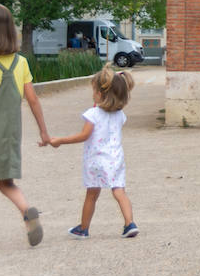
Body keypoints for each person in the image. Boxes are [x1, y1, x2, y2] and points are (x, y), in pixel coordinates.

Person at [0, 3, 51, 249]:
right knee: (5, 183)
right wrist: (43, 131)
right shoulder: (21, 63)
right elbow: (33, 100)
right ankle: (26, 209)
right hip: (11, 135)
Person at [45, 63, 138, 238]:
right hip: (116, 159)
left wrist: (60, 141)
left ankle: (83, 228)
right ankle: (129, 223)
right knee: (119, 191)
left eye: (94, 90)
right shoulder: (120, 115)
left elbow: (84, 135)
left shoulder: (93, 114)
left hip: (96, 160)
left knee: (92, 194)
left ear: (100, 94)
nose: (92, 93)